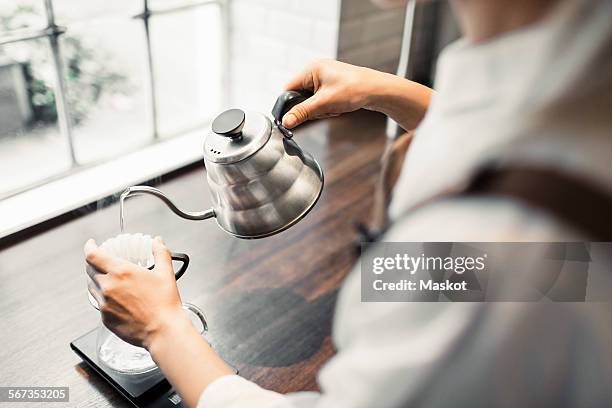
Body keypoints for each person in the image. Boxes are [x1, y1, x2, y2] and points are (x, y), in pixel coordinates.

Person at [84, 0, 612, 406]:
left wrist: (162, 329)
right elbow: (564, 265)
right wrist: (394, 93)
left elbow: (512, 272)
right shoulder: (572, 91)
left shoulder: (493, 242)